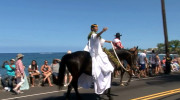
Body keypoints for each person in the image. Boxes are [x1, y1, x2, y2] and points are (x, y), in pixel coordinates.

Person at [81, 24, 114, 94]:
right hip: (95, 52)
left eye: (97, 27)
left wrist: (108, 41)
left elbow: (100, 39)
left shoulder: (94, 34)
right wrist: (103, 31)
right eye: (96, 27)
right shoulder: (92, 34)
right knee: (104, 60)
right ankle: (102, 77)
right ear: (92, 28)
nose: (97, 28)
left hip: (96, 50)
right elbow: (96, 36)